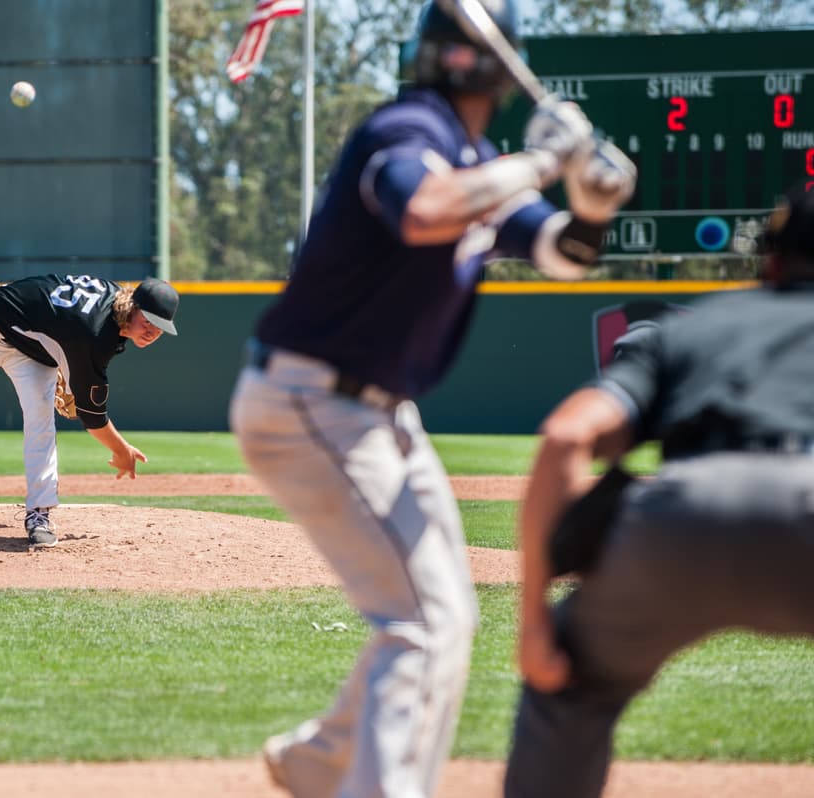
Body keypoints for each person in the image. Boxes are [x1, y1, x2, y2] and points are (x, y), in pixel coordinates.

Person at [226, 1, 635, 796]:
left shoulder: (475, 155)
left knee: (442, 617)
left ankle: (321, 762)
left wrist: (590, 208)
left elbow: (558, 254)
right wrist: (542, 163)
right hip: (313, 398)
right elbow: (424, 210)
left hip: (372, 412)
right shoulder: (406, 129)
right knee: (422, 623)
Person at [504, 165, 814, 798]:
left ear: (772, 262)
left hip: (683, 517)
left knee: (571, 684)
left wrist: (534, 629)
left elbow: (565, 438)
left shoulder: (698, 327)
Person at [0, 274, 179, 548]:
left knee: (41, 418)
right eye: (149, 321)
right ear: (132, 306)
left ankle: (39, 514)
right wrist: (121, 450)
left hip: (33, 348)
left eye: (160, 327)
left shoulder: (115, 306)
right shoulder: (93, 334)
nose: (153, 332)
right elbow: (93, 419)